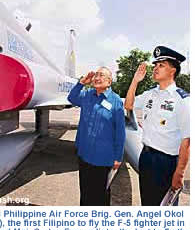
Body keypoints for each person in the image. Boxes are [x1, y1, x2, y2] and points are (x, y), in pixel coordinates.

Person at [124, 46, 190, 206]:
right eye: (155, 65)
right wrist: (135, 81)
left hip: (166, 163)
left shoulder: (183, 100)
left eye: (161, 65)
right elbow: (128, 104)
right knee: (147, 204)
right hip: (145, 157)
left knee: (165, 209)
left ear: (172, 70)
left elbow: (187, 140)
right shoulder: (150, 94)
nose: (155, 69)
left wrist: (180, 173)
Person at [68, 67, 126, 206]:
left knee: (100, 196)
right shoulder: (87, 94)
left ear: (109, 81)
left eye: (101, 75)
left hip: (103, 157)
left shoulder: (116, 101)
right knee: (85, 192)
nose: (97, 78)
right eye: (96, 75)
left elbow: (120, 132)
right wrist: (81, 83)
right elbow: (71, 98)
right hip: (84, 154)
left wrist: (118, 156)